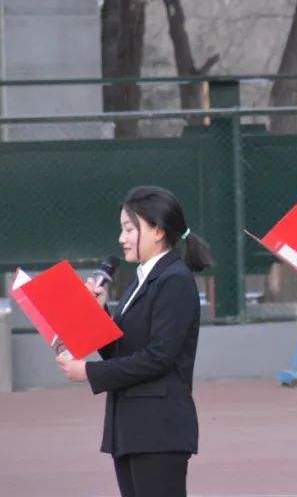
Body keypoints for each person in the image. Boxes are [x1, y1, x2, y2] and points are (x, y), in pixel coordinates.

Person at [56, 185, 211, 497]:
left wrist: (89, 372)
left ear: (158, 231)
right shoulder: (142, 280)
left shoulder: (175, 281)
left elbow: (158, 357)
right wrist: (98, 314)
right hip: (131, 430)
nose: (121, 238)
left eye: (129, 229)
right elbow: (123, 351)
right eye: (122, 229)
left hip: (158, 431)